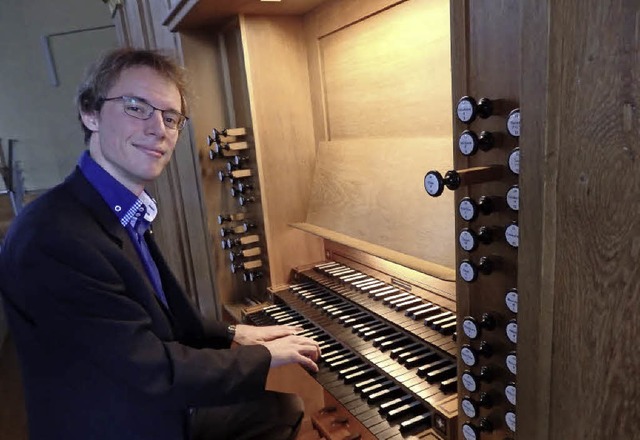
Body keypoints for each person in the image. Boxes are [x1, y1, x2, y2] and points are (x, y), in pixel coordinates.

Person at [0, 48, 320, 440]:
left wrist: (234, 335)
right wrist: (264, 357)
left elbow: (161, 315)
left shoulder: (113, 209)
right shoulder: (55, 237)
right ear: (91, 112)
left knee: (279, 408)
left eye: (171, 118)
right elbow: (152, 370)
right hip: (116, 422)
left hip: (137, 396)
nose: (159, 129)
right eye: (137, 107)